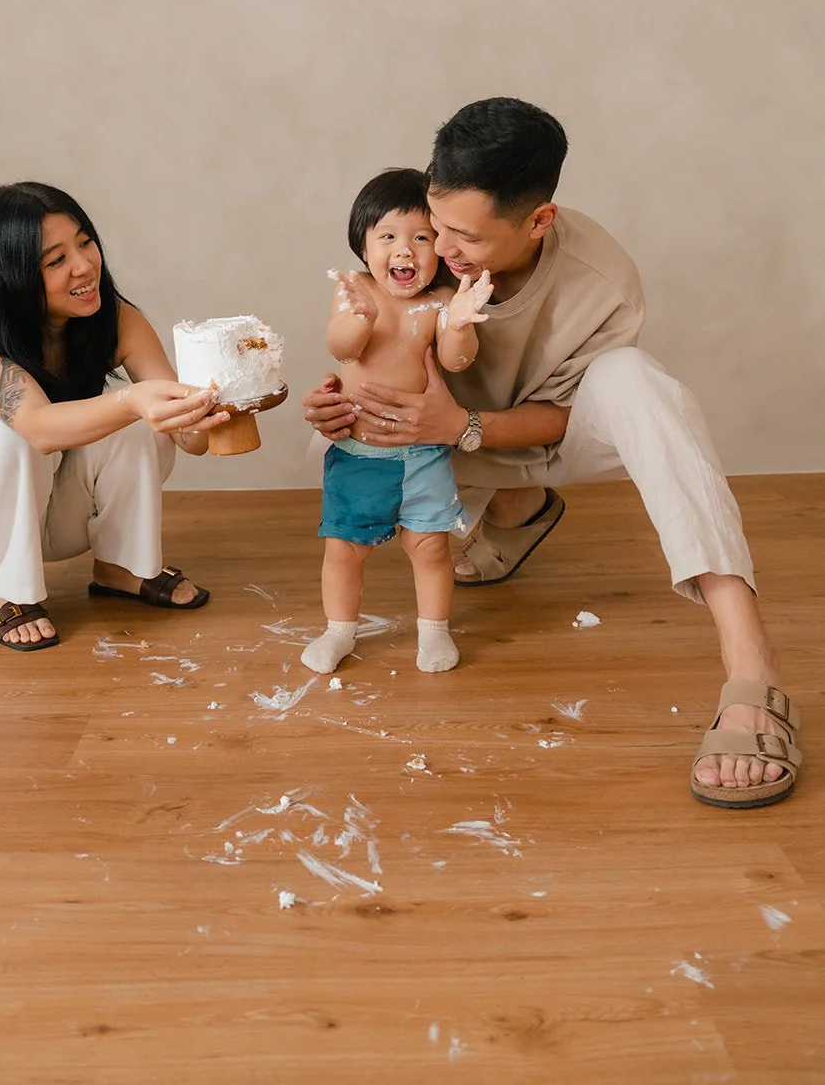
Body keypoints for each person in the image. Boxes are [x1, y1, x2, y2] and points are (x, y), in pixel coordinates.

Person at [302, 100, 801, 809]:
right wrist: (339, 400)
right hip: (426, 443)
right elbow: (367, 352)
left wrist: (462, 424)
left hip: (531, 436)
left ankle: (751, 663)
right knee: (329, 440)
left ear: (538, 220)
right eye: (433, 223)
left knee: (639, 381)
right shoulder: (414, 249)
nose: (437, 248)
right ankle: (515, 508)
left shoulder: (599, 280)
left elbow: (571, 419)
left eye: (464, 237)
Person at [0, 182, 228, 650]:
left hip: (58, 508)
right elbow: (39, 430)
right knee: (18, 432)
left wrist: (204, 414)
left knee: (137, 418)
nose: (84, 266)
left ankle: (124, 565)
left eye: (85, 242)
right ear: (11, 275)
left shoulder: (117, 319)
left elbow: (186, 437)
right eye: (55, 260)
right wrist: (134, 401)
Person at [300, 168, 493, 677]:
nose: (404, 250)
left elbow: (455, 361)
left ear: (441, 248)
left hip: (423, 452)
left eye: (421, 237)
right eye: (387, 237)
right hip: (359, 452)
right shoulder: (356, 290)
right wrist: (359, 317)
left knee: (430, 548)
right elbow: (342, 347)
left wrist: (463, 323)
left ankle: (434, 631)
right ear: (364, 249)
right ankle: (339, 630)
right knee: (344, 549)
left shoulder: (442, 301)